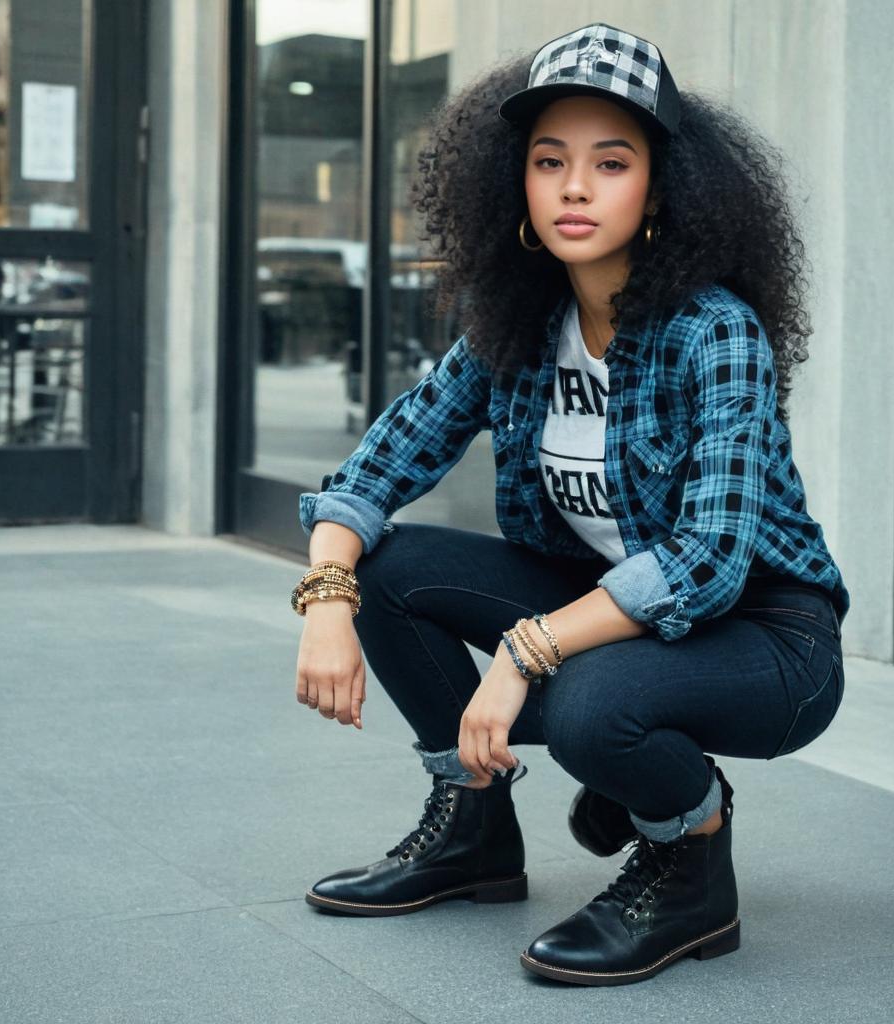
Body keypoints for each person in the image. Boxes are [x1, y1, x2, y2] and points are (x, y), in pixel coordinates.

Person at [292, 21, 851, 987]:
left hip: (768, 636)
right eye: (550, 161)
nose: (576, 187)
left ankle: (688, 861)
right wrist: (328, 589)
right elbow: (384, 462)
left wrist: (527, 648)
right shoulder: (519, 323)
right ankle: (470, 830)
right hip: (611, 609)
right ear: (517, 184)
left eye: (611, 161)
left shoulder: (716, 333)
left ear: (661, 188)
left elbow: (707, 561)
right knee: (392, 572)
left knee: (596, 704)